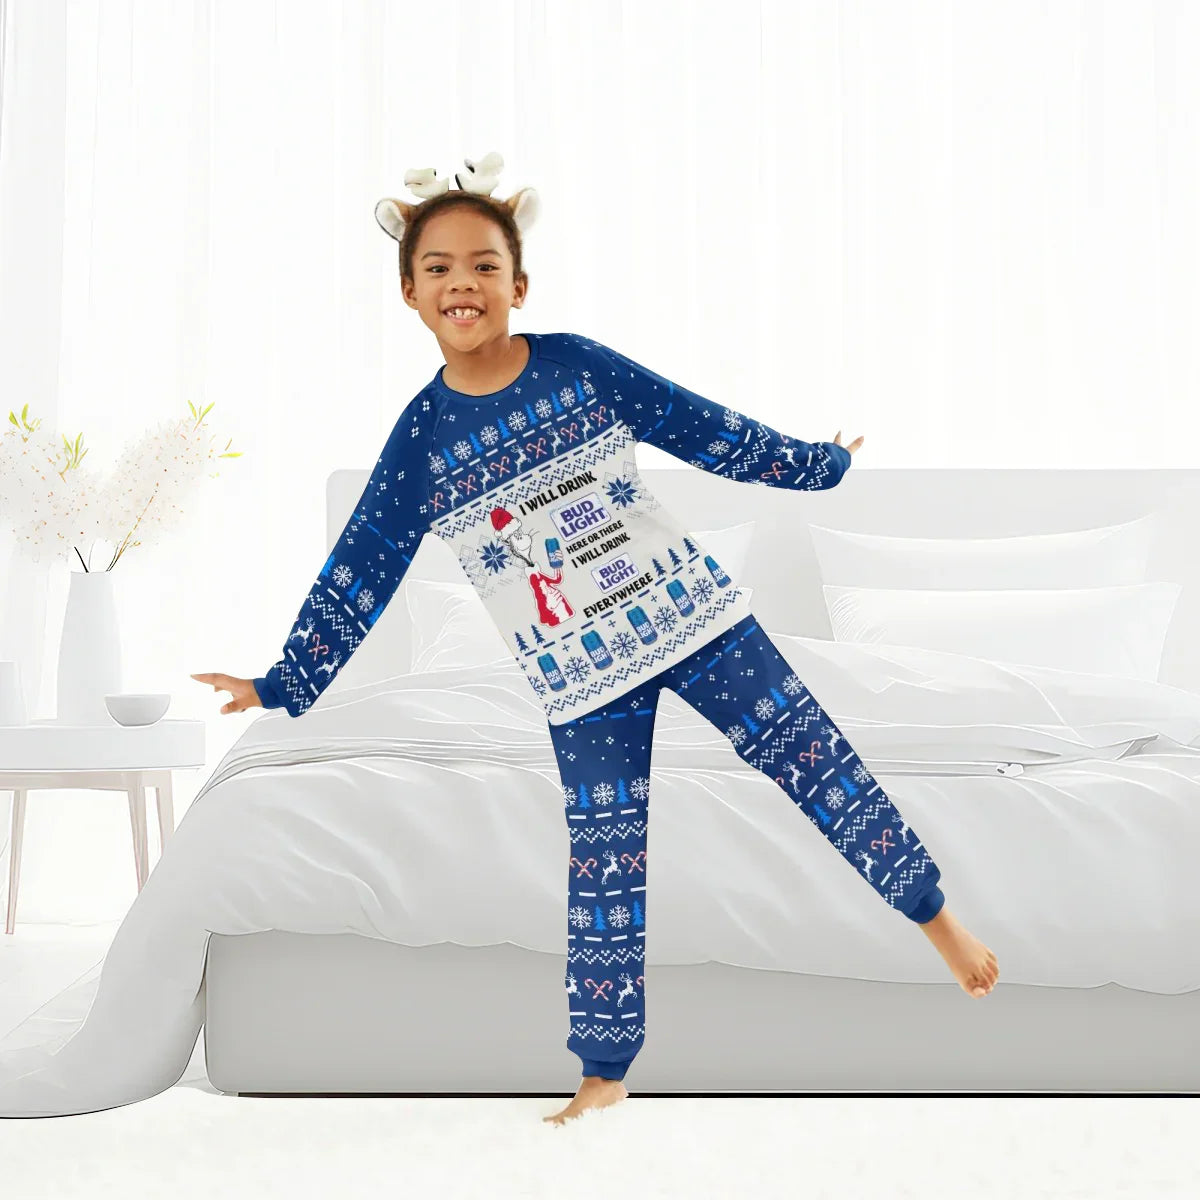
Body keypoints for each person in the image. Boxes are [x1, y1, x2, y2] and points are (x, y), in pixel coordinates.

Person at [192, 153, 998, 1127]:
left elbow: (700, 426)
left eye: (485, 265)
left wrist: (818, 466)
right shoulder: (423, 443)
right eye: (440, 267)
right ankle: (605, 1066)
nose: (463, 283)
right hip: (582, 676)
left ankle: (937, 921)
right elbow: (361, 568)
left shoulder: (576, 364)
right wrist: (285, 682)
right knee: (605, 853)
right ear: (408, 291)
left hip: (693, 618)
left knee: (815, 758)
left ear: (518, 285)